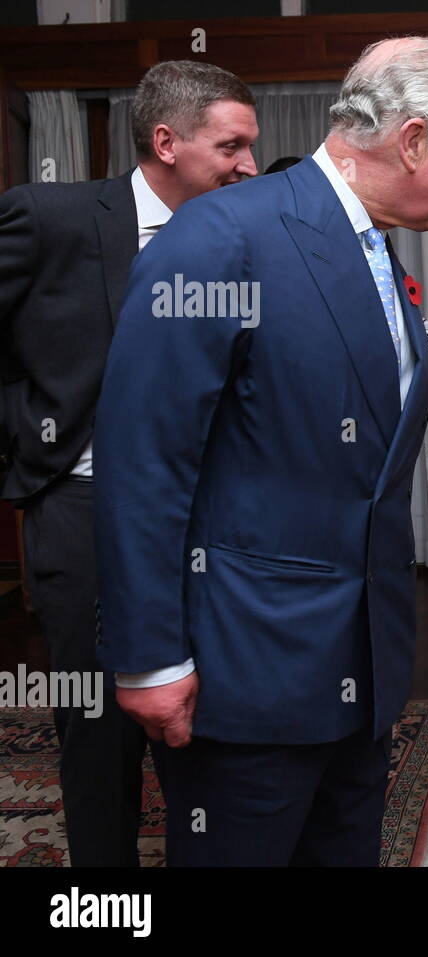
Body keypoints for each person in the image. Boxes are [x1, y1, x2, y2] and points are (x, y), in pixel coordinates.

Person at [93, 37, 428, 866]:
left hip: (362, 670)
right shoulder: (221, 238)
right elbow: (143, 460)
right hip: (250, 673)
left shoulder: (374, 247)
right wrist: (149, 657)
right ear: (412, 140)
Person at [0, 60, 257, 866]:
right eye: (232, 146)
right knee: (99, 729)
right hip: (80, 514)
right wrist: (30, 434)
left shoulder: (243, 237)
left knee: (202, 717)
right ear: (166, 141)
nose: (249, 165)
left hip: (208, 519)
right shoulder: (52, 217)